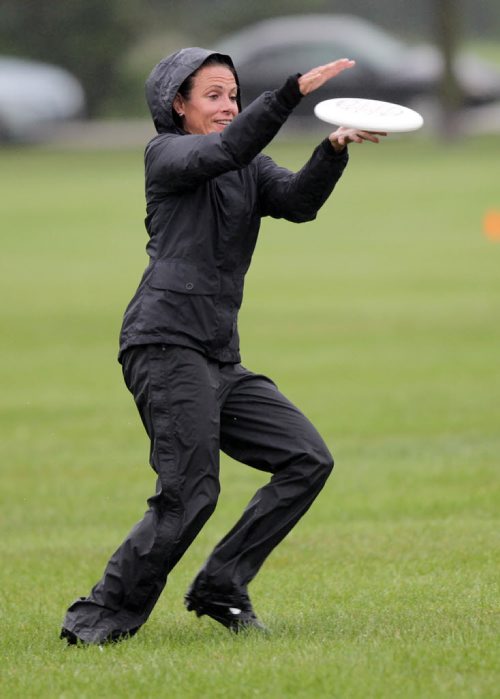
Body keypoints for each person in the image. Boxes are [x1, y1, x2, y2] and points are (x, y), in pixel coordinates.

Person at [60, 47, 385, 645]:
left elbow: (297, 203)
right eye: (214, 96)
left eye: (233, 95)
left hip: (216, 353)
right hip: (163, 343)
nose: (228, 106)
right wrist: (287, 94)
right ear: (177, 106)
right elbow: (225, 150)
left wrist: (332, 150)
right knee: (189, 496)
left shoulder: (247, 164)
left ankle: (220, 586)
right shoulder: (169, 156)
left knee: (305, 459)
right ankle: (97, 618)